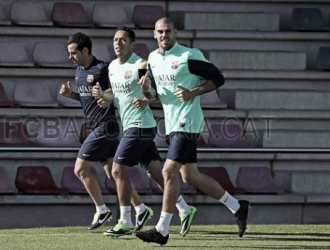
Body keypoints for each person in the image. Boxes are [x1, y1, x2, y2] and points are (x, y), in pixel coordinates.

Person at [135, 18, 250, 246]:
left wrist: (193, 92)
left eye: (168, 31)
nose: (164, 35)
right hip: (172, 123)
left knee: (168, 172)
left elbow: (218, 78)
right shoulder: (153, 59)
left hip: (188, 121)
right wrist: (146, 91)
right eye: (160, 31)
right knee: (190, 176)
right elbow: (155, 94)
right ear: (154, 34)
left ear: (175, 32)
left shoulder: (189, 56)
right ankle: (238, 207)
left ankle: (162, 230)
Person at [92, 27, 196, 238]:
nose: (118, 43)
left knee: (118, 170)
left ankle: (125, 221)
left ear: (132, 45)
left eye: (122, 40)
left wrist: (146, 94)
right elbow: (118, 92)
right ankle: (185, 209)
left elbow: (153, 91)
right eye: (115, 40)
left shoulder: (140, 64)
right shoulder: (112, 66)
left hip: (140, 125)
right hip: (132, 124)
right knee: (156, 173)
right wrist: (103, 95)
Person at [61, 32, 154, 232]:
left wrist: (106, 95)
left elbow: (116, 91)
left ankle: (102, 210)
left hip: (106, 127)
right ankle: (140, 208)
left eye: (73, 52)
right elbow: (87, 98)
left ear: (85, 50)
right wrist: (72, 95)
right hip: (95, 126)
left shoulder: (103, 69)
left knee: (80, 169)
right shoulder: (79, 70)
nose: (70, 57)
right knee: (115, 174)